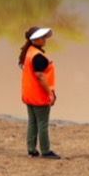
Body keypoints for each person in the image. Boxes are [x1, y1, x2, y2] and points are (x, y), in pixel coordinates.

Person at [18, 26, 60, 159]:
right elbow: (40, 76)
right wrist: (50, 93)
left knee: (32, 122)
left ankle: (31, 150)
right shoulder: (38, 56)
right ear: (34, 40)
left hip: (29, 94)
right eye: (42, 37)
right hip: (39, 95)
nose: (45, 39)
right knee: (42, 124)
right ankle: (46, 151)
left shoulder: (29, 52)